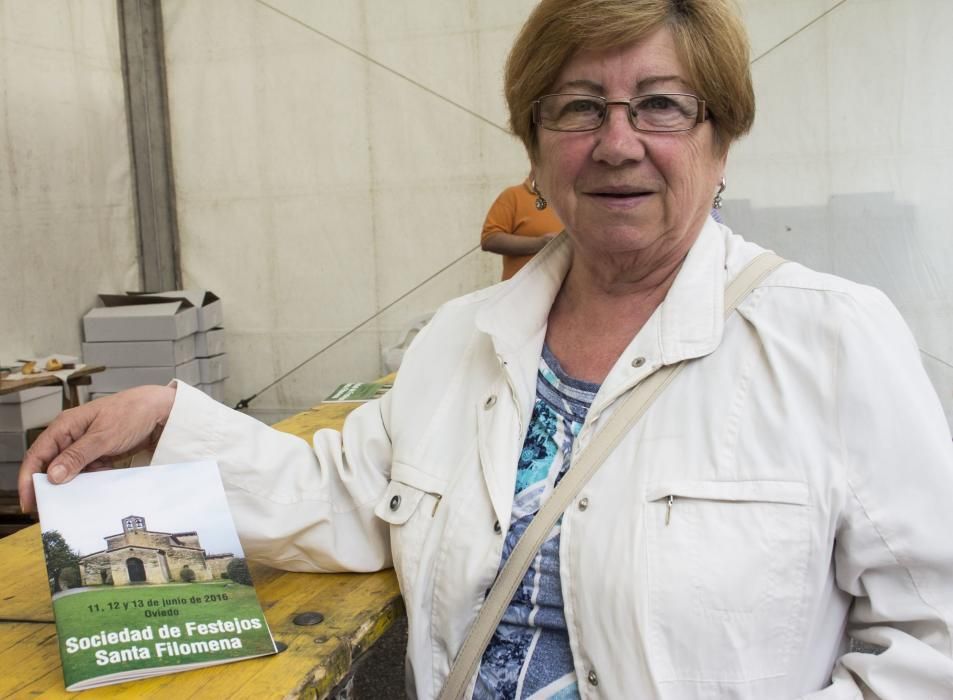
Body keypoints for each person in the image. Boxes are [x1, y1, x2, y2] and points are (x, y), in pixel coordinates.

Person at [19, 0, 953, 697]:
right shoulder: (465, 339)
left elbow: (931, 639)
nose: (616, 143)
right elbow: (345, 494)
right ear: (535, 147)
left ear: (721, 137)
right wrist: (168, 422)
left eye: (661, 105)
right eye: (577, 108)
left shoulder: (829, 338)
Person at [480, 172, 563, 280]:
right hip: (522, 291)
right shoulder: (512, 195)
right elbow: (489, 239)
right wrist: (541, 243)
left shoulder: (571, 199)